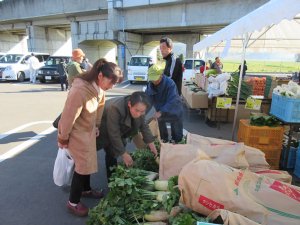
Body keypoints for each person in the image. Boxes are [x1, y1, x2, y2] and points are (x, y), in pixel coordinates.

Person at [57, 58, 123, 217]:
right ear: (100, 75)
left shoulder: (99, 88)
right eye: (111, 82)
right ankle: (73, 202)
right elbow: (68, 117)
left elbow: (100, 107)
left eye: (115, 84)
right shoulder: (80, 90)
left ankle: (86, 190)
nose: (112, 86)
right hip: (76, 133)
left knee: (87, 164)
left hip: (87, 132)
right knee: (81, 168)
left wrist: (96, 126)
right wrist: (62, 138)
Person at [96, 91, 158, 177]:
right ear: (129, 104)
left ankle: (111, 177)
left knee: (112, 153)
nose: (139, 114)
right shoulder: (115, 108)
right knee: (87, 160)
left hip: (116, 131)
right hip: (101, 130)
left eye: (142, 111)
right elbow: (114, 134)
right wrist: (124, 154)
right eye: (136, 110)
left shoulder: (140, 108)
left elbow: (143, 126)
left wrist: (151, 145)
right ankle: (85, 188)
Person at [145, 64, 183, 143]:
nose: (154, 81)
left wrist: (161, 111)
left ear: (161, 75)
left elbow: (172, 100)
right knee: (161, 131)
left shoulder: (170, 83)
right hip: (160, 110)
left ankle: (176, 142)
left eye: (156, 79)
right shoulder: (150, 85)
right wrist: (142, 112)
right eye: (152, 79)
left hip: (174, 109)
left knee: (177, 135)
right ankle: (164, 140)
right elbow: (147, 100)